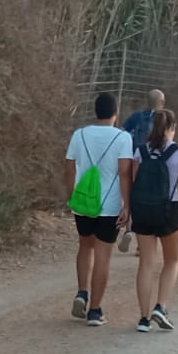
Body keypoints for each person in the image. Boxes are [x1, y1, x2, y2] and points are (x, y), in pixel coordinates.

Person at [65, 93, 135, 326]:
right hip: (110, 205)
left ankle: (82, 292)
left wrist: (71, 196)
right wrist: (127, 204)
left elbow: (70, 167)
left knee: (85, 246)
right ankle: (95, 310)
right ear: (115, 112)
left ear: (96, 111)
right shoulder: (123, 138)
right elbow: (125, 172)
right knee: (103, 256)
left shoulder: (79, 135)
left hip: (83, 202)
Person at [130, 109, 178, 333]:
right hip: (169, 210)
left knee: (146, 263)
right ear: (173, 128)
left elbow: (133, 183)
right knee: (172, 261)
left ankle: (143, 318)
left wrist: (129, 211)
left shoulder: (140, 152)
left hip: (142, 210)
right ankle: (161, 306)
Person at [116, 90, 165, 253]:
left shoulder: (137, 117)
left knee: (130, 197)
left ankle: (129, 229)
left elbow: (123, 132)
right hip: (154, 165)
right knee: (151, 201)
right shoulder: (164, 119)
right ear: (162, 102)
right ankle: (142, 244)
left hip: (132, 160)